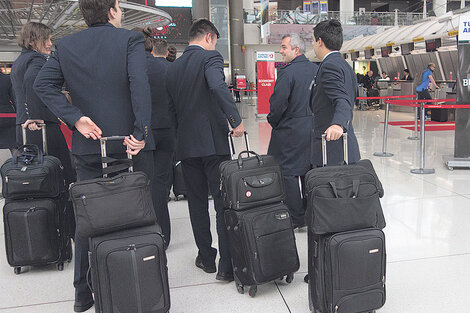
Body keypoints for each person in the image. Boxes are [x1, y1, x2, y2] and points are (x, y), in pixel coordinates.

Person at [33, 1, 154, 312]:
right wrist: (141, 132)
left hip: (88, 147)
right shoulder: (129, 39)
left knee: (86, 219)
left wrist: (75, 118)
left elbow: (42, 84)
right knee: (133, 214)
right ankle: (132, 282)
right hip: (126, 146)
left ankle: (82, 293)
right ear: (113, 10)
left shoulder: (66, 45)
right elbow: (139, 85)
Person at [166, 19, 245, 282]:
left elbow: (170, 111)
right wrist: (236, 120)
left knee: (197, 204)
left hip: (186, 147)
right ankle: (226, 266)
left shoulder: (173, 67)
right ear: (209, 37)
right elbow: (217, 85)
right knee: (222, 203)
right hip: (213, 145)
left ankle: (206, 258)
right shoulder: (210, 58)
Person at [10, 22, 77, 238]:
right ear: (33, 41)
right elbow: (34, 83)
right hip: (43, 127)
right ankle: (70, 229)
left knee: (37, 182)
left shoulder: (20, 61)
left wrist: (27, 116)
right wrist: (36, 115)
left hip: (25, 129)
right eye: (46, 39)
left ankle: (45, 232)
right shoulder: (37, 60)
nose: (50, 43)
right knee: (64, 176)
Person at [267, 34, 317, 229]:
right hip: (312, 128)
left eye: (284, 47)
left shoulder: (287, 73)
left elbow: (278, 104)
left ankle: (296, 217)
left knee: (288, 173)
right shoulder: (316, 70)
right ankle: (311, 213)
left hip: (290, 131)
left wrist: (274, 121)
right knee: (309, 171)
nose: (281, 51)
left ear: (296, 50)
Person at [141, 28, 176, 247]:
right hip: (168, 130)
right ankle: (164, 234)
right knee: (160, 182)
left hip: (143, 132)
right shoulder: (169, 68)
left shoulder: (135, 67)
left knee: (144, 181)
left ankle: (146, 230)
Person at [310, 19, 360, 167]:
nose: (313, 45)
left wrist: (338, 124)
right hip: (344, 150)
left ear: (319, 41)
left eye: (313, 41)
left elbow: (342, 99)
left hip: (333, 152)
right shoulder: (345, 65)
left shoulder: (329, 65)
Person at [0, 71, 16, 155]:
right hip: (7, 116)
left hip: (6, 116)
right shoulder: (7, 79)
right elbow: (14, 99)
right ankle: (18, 167)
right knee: (13, 146)